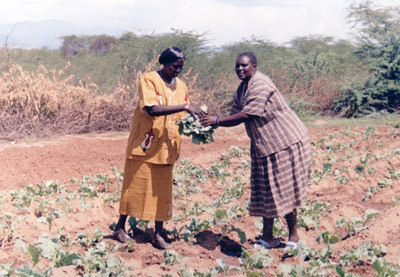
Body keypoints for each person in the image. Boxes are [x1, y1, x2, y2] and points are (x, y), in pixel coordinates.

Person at [200, 52, 311, 249]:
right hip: (264, 146)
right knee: (265, 191)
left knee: (283, 190)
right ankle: (267, 238)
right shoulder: (243, 88)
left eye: (244, 65)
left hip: (284, 142)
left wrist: (216, 120)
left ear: (254, 67)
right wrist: (207, 122)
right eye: (237, 66)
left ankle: (294, 237)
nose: (240, 69)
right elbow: (234, 113)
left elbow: (247, 114)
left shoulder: (260, 83)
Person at [113, 47, 205, 249]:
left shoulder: (181, 86)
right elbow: (152, 109)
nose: (178, 71)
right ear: (164, 63)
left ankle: (158, 233)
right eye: (175, 67)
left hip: (167, 146)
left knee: (161, 191)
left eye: (181, 67)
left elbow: (184, 114)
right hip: (145, 145)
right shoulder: (149, 80)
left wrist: (200, 123)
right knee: (133, 187)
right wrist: (185, 107)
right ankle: (120, 227)